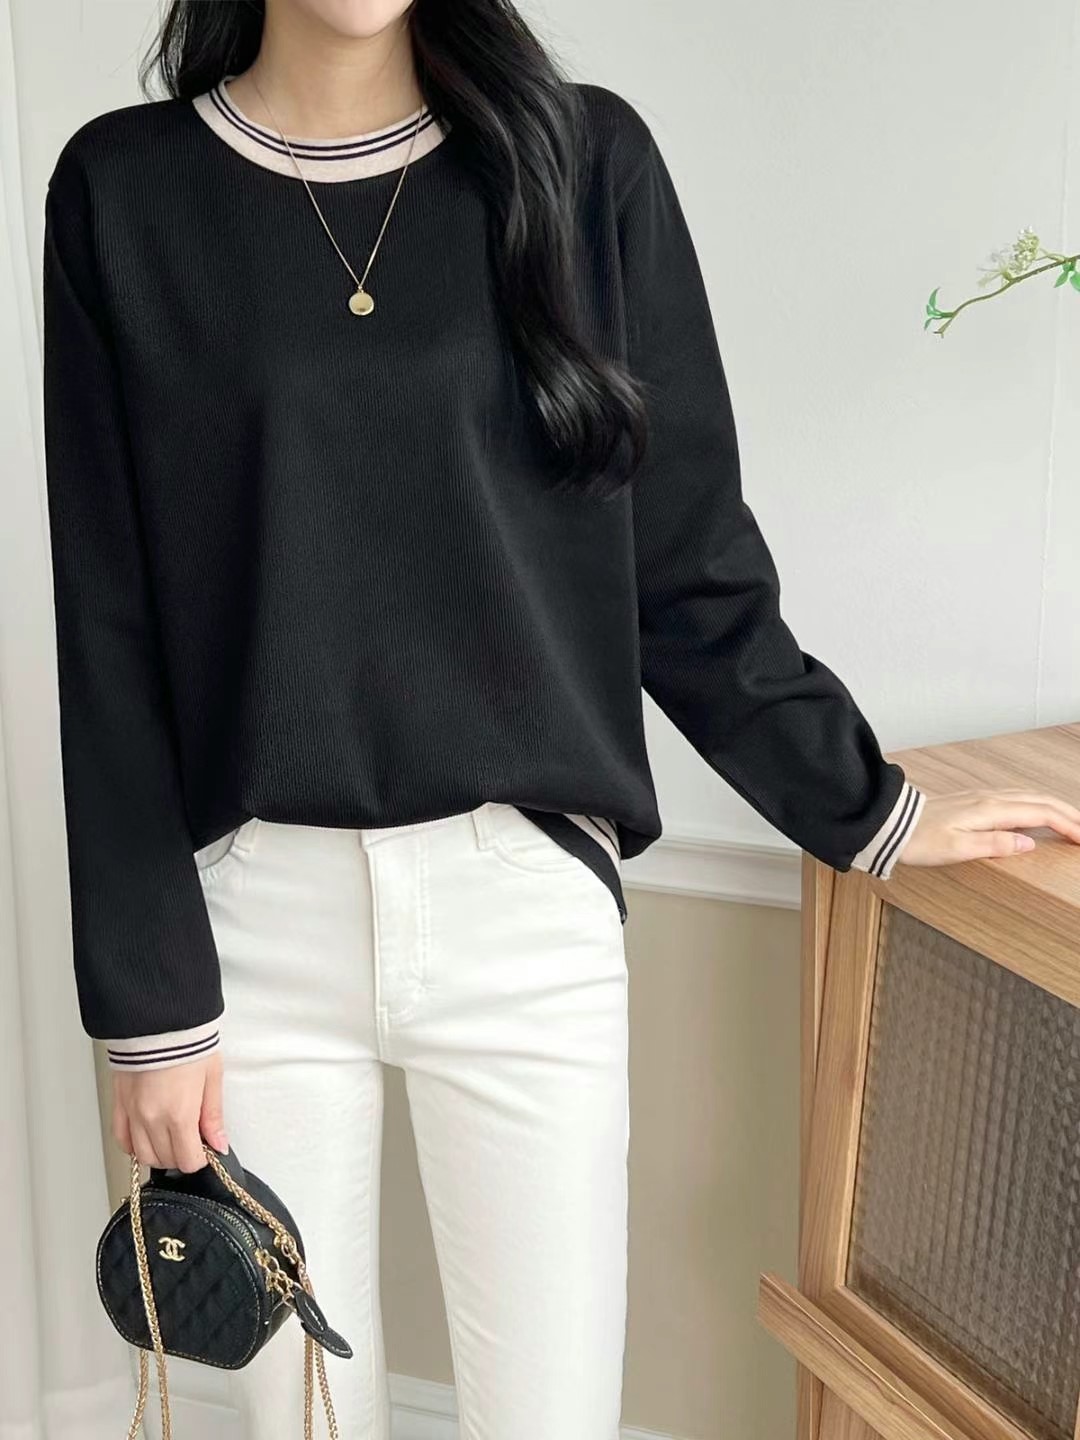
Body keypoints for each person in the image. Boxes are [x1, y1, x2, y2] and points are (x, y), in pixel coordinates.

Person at [40, 1, 1080, 1435]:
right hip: (249, 918)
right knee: (297, 1418)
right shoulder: (123, 190)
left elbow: (686, 559)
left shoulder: (583, 165)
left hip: (523, 907)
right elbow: (108, 626)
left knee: (552, 1415)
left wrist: (868, 804)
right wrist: (148, 1010)